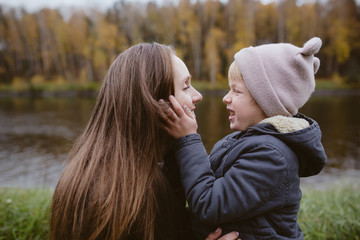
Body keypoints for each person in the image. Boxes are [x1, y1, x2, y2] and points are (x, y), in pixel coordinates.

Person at [50, 42, 240, 240]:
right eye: (185, 86)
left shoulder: (148, 168)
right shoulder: (113, 198)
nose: (198, 95)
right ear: (154, 101)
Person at [160, 37, 327, 239]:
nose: (226, 98)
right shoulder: (240, 142)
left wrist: (188, 139)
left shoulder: (272, 156)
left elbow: (209, 205)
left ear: (266, 101)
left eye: (236, 91)